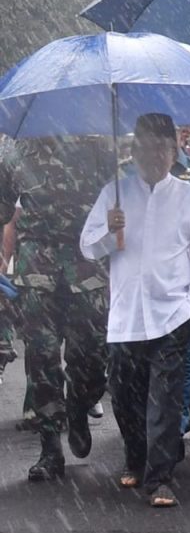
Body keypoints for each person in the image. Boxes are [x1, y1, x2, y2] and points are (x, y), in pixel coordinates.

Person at [80, 113, 190, 507]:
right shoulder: (115, 194)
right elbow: (88, 248)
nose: (154, 156)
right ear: (133, 151)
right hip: (126, 316)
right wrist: (109, 230)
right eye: (146, 149)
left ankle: (160, 477)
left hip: (171, 314)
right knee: (125, 396)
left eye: (162, 149)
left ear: (174, 152)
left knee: (165, 400)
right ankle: (135, 458)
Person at [0, 136, 113, 481]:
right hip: (37, 261)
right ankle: (50, 448)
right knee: (42, 354)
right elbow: (3, 209)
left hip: (87, 259)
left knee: (92, 351)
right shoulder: (13, 150)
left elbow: (120, 194)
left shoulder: (98, 142)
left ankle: (79, 405)